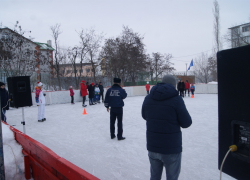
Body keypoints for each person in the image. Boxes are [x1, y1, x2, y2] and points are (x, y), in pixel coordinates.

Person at [141, 75, 192, 180]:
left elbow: (144, 115)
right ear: (174, 86)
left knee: (154, 177)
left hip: (153, 145)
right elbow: (186, 123)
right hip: (171, 148)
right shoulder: (176, 100)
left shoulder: (148, 98)